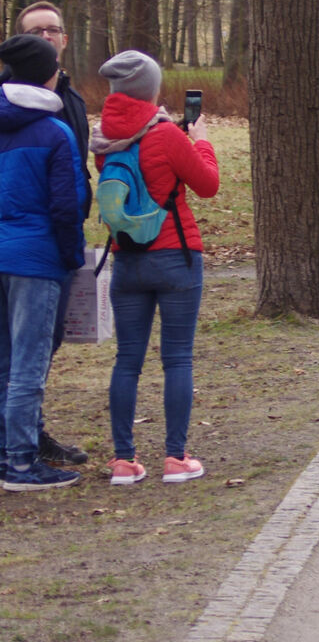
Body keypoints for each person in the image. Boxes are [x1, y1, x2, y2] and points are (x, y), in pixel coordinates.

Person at [91, 50, 219, 484]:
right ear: (151, 89)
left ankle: (123, 461)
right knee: (177, 357)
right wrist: (200, 141)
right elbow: (208, 184)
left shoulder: (104, 140)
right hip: (176, 255)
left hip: (127, 259)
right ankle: (176, 458)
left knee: (127, 359)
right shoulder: (165, 135)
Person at [0, 1, 92, 466]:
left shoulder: (69, 105)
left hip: (14, 250)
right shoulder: (52, 129)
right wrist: (72, 256)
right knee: (28, 363)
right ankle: (20, 458)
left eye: (52, 29)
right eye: (37, 32)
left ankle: (17, 443)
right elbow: (65, 201)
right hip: (38, 255)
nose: (47, 37)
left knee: (13, 359)